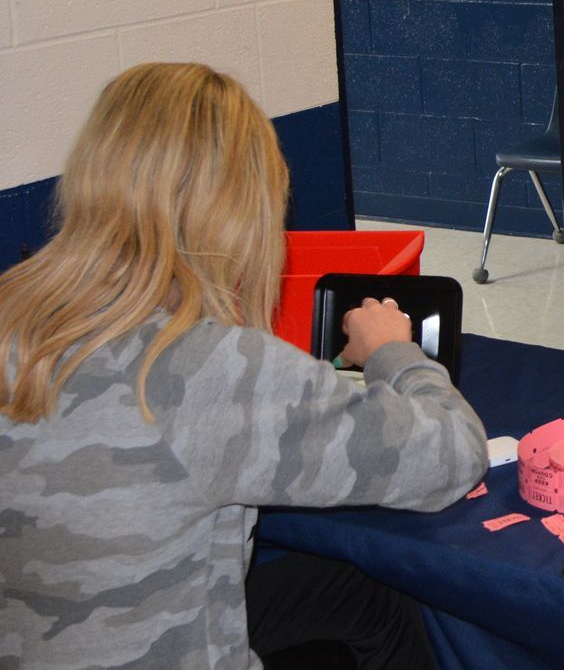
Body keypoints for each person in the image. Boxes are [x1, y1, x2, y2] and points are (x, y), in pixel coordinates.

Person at [0, 63, 487, 668]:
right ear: (241, 207)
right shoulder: (208, 368)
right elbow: (453, 456)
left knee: (359, 594)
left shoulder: (13, 316)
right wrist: (393, 350)